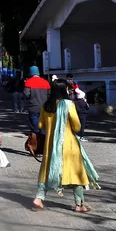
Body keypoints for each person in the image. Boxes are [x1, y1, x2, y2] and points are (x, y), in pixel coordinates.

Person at [32, 80, 99, 212]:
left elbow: (40, 125)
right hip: (68, 145)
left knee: (47, 171)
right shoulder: (68, 104)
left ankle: (39, 198)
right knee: (75, 172)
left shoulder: (46, 105)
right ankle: (79, 204)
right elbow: (77, 126)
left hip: (50, 145)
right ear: (64, 90)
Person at [23, 66, 50, 159]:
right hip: (45, 109)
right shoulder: (46, 82)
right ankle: (43, 149)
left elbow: (26, 95)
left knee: (35, 129)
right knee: (43, 128)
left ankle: (33, 149)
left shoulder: (28, 82)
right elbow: (49, 95)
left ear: (30, 73)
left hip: (33, 108)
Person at [66, 75, 89, 141]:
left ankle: (77, 134)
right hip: (70, 103)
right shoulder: (65, 85)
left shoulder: (75, 84)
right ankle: (76, 134)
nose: (70, 80)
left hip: (75, 103)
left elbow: (78, 91)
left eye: (71, 79)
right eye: (69, 79)